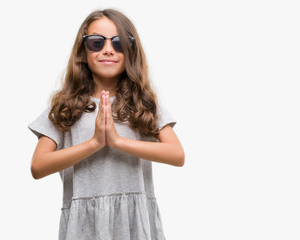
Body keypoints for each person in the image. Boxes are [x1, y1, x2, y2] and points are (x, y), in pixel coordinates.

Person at [28, 8, 185, 240]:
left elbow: (176, 154)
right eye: (96, 42)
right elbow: (38, 166)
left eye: (119, 43)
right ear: (83, 51)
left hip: (134, 222)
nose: (108, 50)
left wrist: (117, 142)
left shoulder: (142, 102)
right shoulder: (67, 105)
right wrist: (94, 143)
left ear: (130, 51)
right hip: (85, 225)